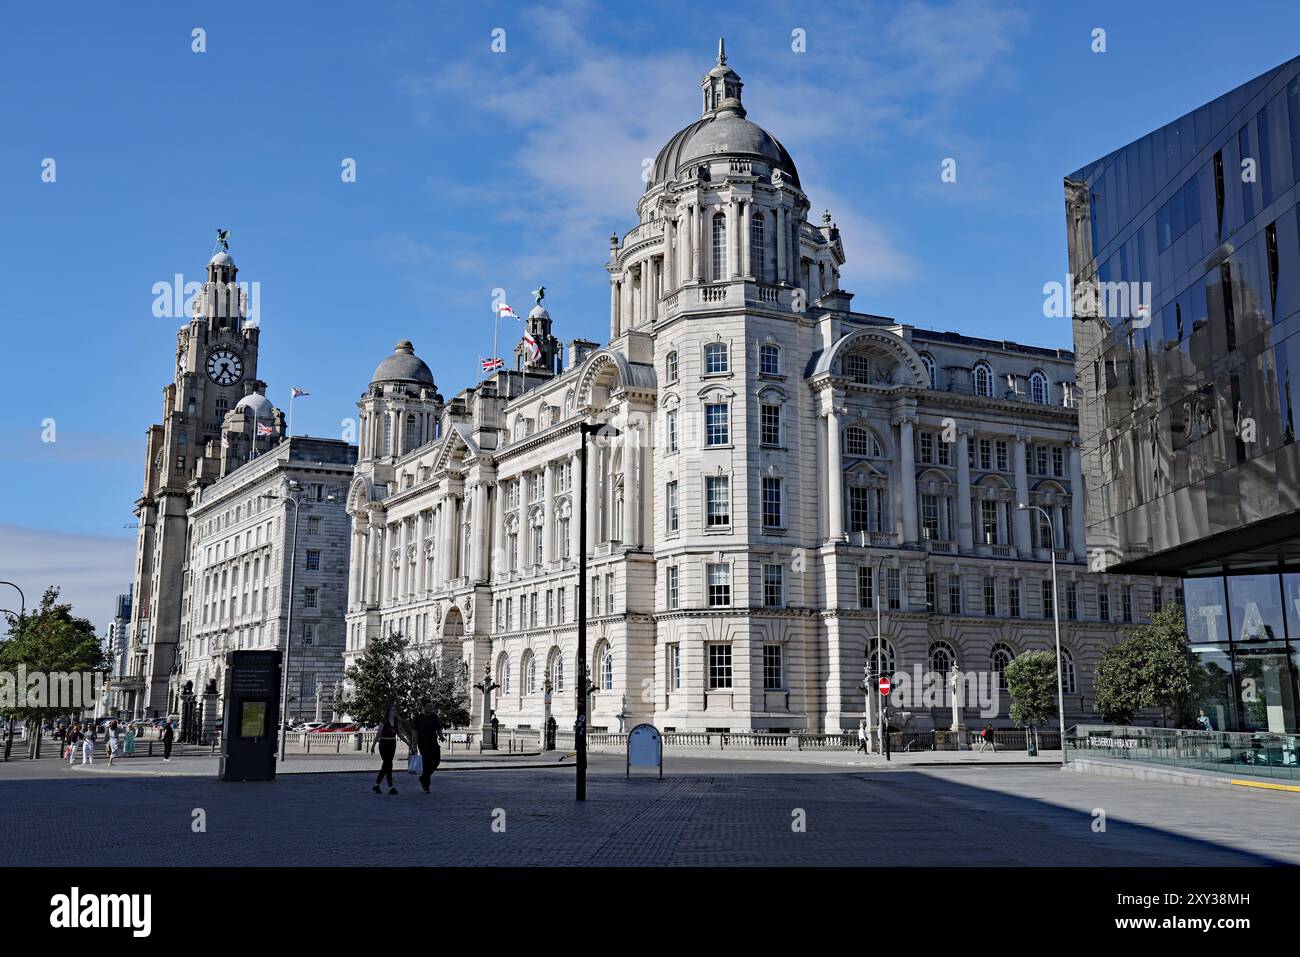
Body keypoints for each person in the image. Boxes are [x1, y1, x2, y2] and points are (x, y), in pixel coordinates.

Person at [412, 700, 445, 794]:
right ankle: (426, 787)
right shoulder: (418, 718)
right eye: (429, 706)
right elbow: (414, 733)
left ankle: (423, 777)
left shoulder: (434, 717)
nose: (431, 708)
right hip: (423, 744)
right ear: (424, 707)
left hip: (434, 743)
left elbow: (438, 728)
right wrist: (414, 746)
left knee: (436, 761)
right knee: (426, 765)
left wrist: (441, 736)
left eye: (431, 707)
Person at [370, 705, 403, 795]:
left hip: (392, 744)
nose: (394, 711)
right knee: (388, 764)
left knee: (387, 764)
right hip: (384, 744)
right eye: (392, 710)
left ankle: (376, 785)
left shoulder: (396, 721)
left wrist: (408, 742)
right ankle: (391, 787)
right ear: (388, 712)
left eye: (395, 710)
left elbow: (399, 734)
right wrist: (373, 746)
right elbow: (378, 734)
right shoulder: (384, 721)